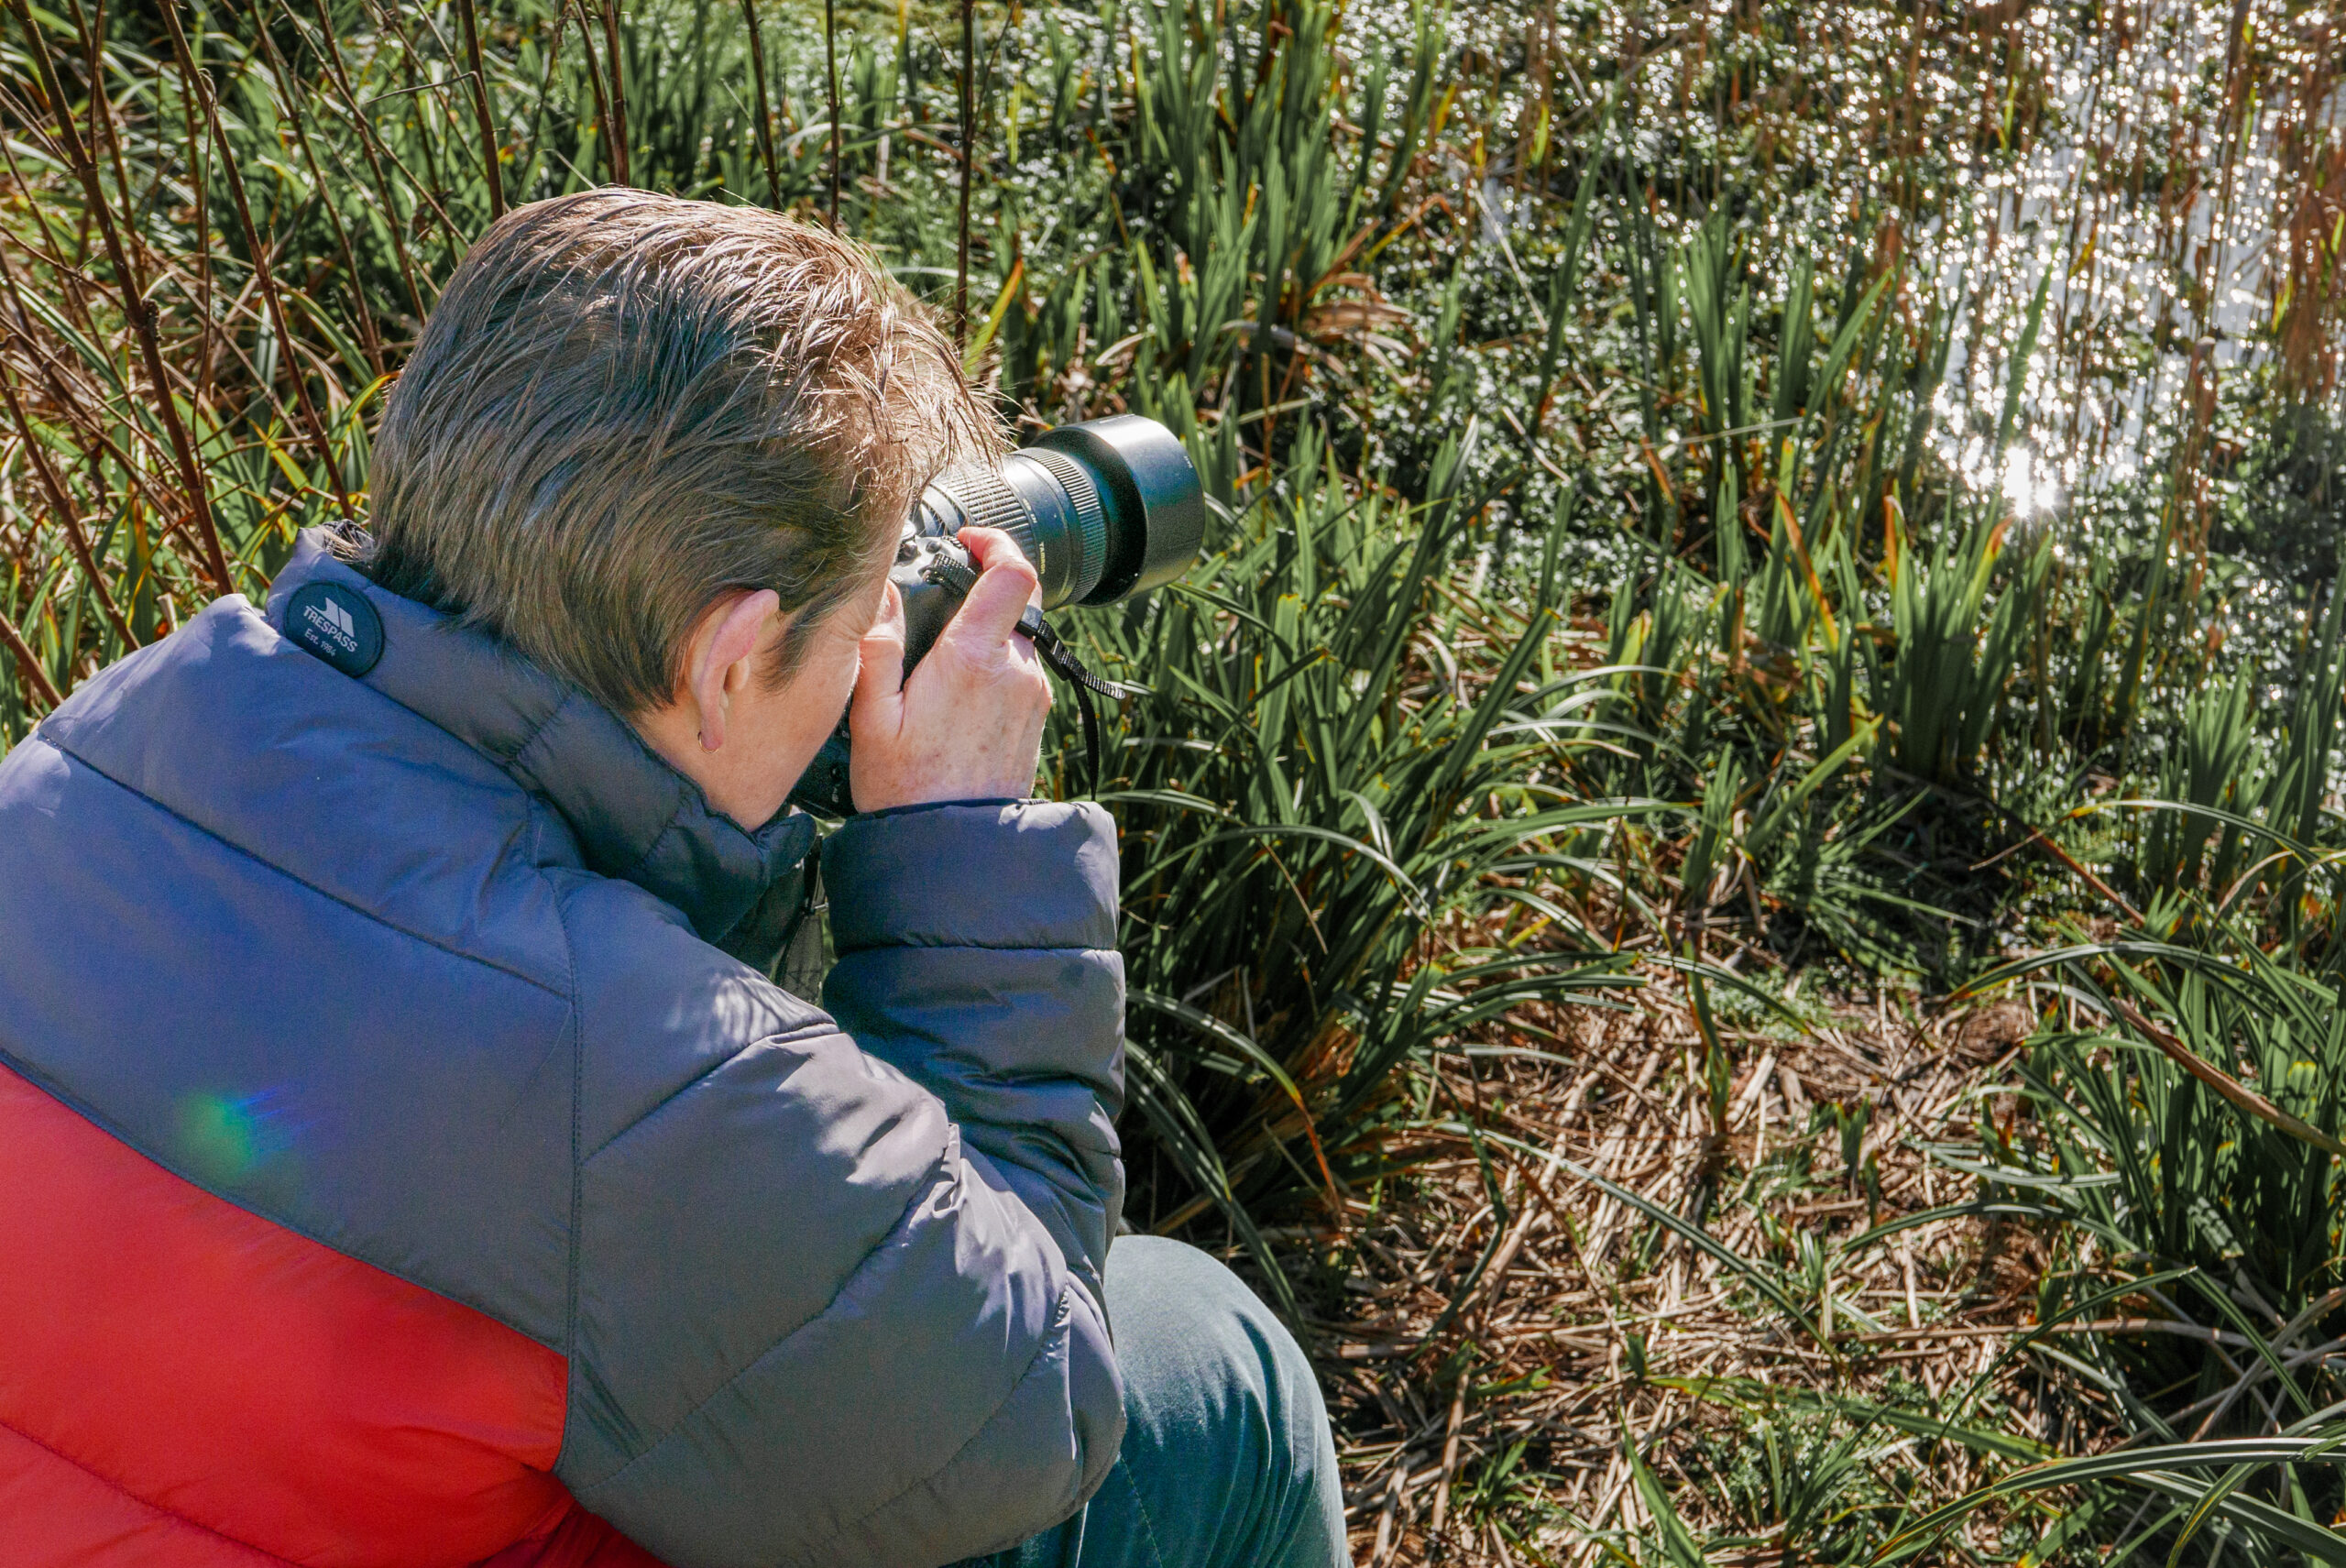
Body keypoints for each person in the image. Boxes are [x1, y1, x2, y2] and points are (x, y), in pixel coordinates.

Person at [0, 191, 1348, 1568]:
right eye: (875, 605)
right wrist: (959, 843)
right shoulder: (646, 1075)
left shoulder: (102, 743)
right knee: (1209, 1363)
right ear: (723, 659)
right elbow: (1019, 1412)